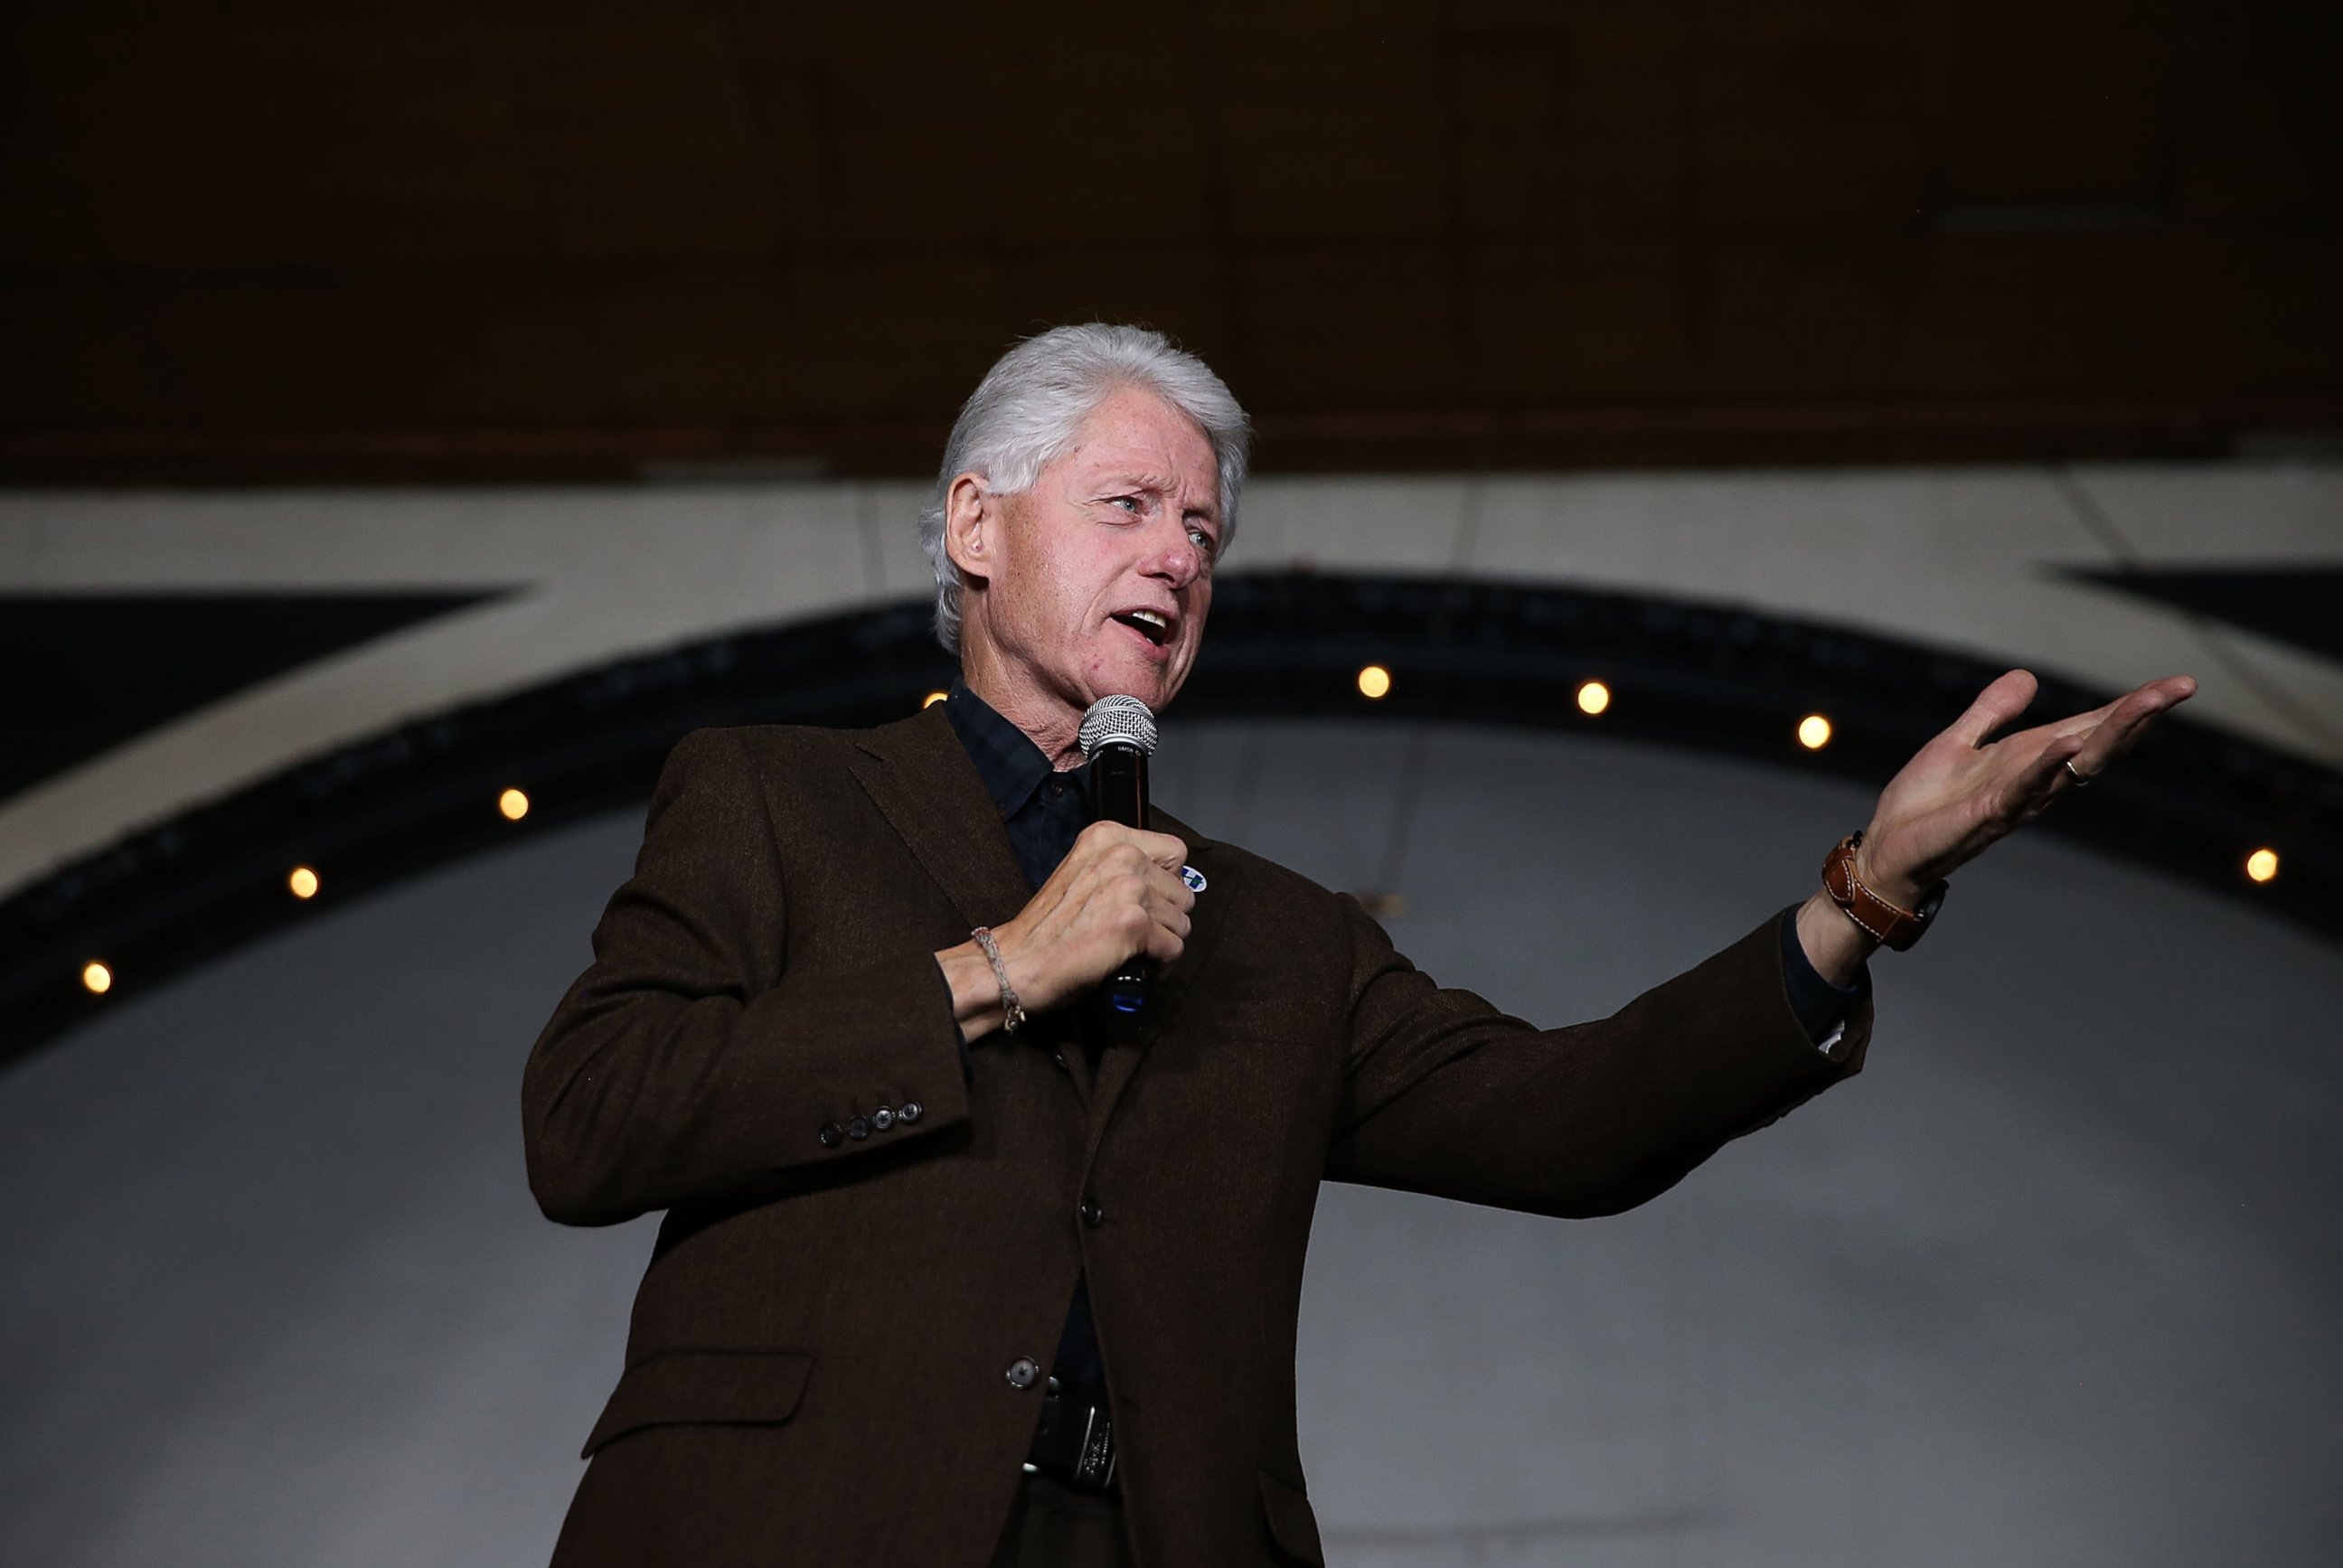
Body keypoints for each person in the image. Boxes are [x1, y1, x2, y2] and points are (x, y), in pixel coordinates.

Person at [522, 324, 2195, 1566]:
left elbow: (1576, 1120)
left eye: (1203, 536)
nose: (1177, 557)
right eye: (1128, 505)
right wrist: (994, 970)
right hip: (788, 1524)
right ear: (977, 528)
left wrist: (1866, 893)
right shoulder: (776, 797)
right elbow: (593, 1118)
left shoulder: (1280, 939)